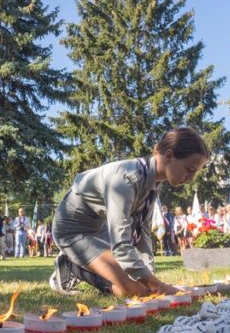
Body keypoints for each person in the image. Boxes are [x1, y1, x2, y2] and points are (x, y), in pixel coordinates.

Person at [50, 127, 209, 298]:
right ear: (169, 155)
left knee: (143, 290)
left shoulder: (154, 182)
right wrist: (159, 286)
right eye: (190, 170)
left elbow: (143, 231)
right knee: (137, 291)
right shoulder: (126, 180)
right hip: (73, 231)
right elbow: (121, 245)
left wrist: (149, 276)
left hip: (99, 229)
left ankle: (90, 266)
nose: (191, 178)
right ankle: (70, 265)